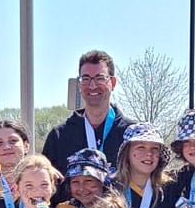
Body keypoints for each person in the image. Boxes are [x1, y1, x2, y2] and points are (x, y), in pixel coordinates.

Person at [42, 50, 134, 191]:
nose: (92, 85)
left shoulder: (132, 134)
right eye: (86, 79)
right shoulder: (59, 136)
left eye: (100, 78)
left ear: (113, 82)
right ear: (79, 84)